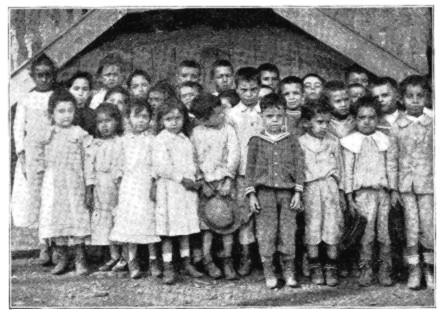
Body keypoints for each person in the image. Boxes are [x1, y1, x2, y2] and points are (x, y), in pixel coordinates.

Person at [245, 93, 304, 289]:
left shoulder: (291, 140)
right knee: (266, 232)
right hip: (264, 194)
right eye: (270, 116)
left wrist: (298, 192)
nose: (275, 121)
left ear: (285, 116)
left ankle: (288, 270)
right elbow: (250, 169)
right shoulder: (256, 140)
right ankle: (269, 270)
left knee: (287, 232)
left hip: (287, 194)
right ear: (262, 116)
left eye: (279, 116)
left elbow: (299, 165)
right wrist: (251, 194)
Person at [341, 96, 397, 287]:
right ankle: (366, 269)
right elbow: (347, 172)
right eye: (362, 117)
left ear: (377, 118)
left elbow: (391, 167)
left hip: (383, 193)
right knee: (366, 235)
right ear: (355, 119)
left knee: (384, 234)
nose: (366, 121)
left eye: (371, 117)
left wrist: (394, 189)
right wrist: (349, 197)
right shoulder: (350, 142)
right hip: (363, 195)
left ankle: (384, 269)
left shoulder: (384, 140)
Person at [37, 88, 93, 276]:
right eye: (61, 111)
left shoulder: (80, 134)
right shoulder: (47, 135)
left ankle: (80, 258)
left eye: (70, 110)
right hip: (54, 184)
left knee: (76, 218)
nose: (66, 115)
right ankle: (62, 258)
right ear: (51, 113)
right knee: (57, 218)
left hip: (74, 183)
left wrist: (89, 186)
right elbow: (39, 159)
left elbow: (88, 162)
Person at [12, 54, 57, 265]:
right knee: (38, 197)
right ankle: (43, 243)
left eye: (48, 75)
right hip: (33, 156)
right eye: (40, 75)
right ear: (33, 76)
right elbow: (18, 127)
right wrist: (21, 153)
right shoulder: (26, 99)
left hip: (55, 153)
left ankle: (56, 243)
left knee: (53, 197)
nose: (44, 79)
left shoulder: (58, 96)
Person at [190, 93, 241, 280]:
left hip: (223, 183)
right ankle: (207, 260)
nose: (222, 117)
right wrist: (201, 181)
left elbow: (234, 154)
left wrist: (228, 179)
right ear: (203, 119)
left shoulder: (228, 130)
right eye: (216, 115)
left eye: (222, 113)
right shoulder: (196, 133)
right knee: (207, 227)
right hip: (206, 186)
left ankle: (227, 260)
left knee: (228, 224)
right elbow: (193, 158)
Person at [109, 99, 161, 279]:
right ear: (128, 118)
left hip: (146, 184)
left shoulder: (153, 140)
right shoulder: (123, 141)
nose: (140, 120)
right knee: (130, 223)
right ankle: (132, 261)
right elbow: (118, 164)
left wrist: (154, 181)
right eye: (136, 116)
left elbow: (156, 163)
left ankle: (154, 260)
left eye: (145, 116)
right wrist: (118, 181)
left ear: (150, 119)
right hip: (129, 186)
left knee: (149, 222)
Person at [152, 98, 202, 284]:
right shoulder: (161, 140)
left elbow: (192, 162)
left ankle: (187, 262)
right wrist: (182, 179)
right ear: (161, 121)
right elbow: (161, 167)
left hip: (186, 191)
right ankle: (168, 266)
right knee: (168, 230)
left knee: (185, 229)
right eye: (169, 119)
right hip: (170, 189)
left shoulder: (184, 139)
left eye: (178, 118)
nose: (174, 122)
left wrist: (196, 178)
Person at [390, 75, 434, 290]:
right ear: (402, 99)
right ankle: (414, 270)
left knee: (428, 227)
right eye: (410, 96)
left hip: (429, 185)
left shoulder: (434, 123)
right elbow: (392, 159)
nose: (415, 101)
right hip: (406, 186)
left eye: (420, 96)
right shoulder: (397, 126)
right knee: (411, 227)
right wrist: (393, 187)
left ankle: (431, 268)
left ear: (427, 98)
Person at [298, 99, 345, 286]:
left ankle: (331, 266)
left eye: (327, 122)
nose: (324, 126)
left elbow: (340, 168)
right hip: (310, 189)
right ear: (307, 122)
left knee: (332, 226)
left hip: (330, 188)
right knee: (312, 227)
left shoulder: (333, 142)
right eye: (319, 122)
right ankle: (314, 265)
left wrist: (341, 192)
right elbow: (298, 171)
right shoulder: (300, 143)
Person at [226, 66, 263, 276]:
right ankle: (247, 256)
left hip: (263, 172)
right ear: (236, 89)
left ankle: (266, 257)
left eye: (253, 89)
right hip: (242, 173)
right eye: (244, 90)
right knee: (245, 216)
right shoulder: (232, 115)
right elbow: (231, 146)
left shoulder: (266, 111)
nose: (249, 94)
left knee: (265, 214)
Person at [84, 103, 124, 273]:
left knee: (119, 219)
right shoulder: (94, 144)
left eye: (109, 121)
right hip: (100, 185)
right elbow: (89, 168)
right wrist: (89, 189)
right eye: (100, 122)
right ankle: (111, 255)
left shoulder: (121, 142)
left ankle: (124, 257)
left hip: (118, 185)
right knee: (105, 221)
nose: (105, 125)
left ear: (117, 122)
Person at [67, 71, 96, 136]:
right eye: (76, 89)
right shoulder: (63, 112)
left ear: (90, 93)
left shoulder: (94, 115)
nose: (80, 93)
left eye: (85, 89)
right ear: (69, 90)